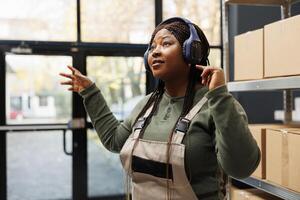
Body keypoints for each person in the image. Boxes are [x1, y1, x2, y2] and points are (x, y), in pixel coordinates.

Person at [60, 17, 260, 200]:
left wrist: (219, 95)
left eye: (166, 43)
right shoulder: (147, 105)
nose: (155, 51)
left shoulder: (216, 105)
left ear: (192, 52)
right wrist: (90, 92)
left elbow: (241, 168)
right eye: (152, 47)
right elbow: (115, 141)